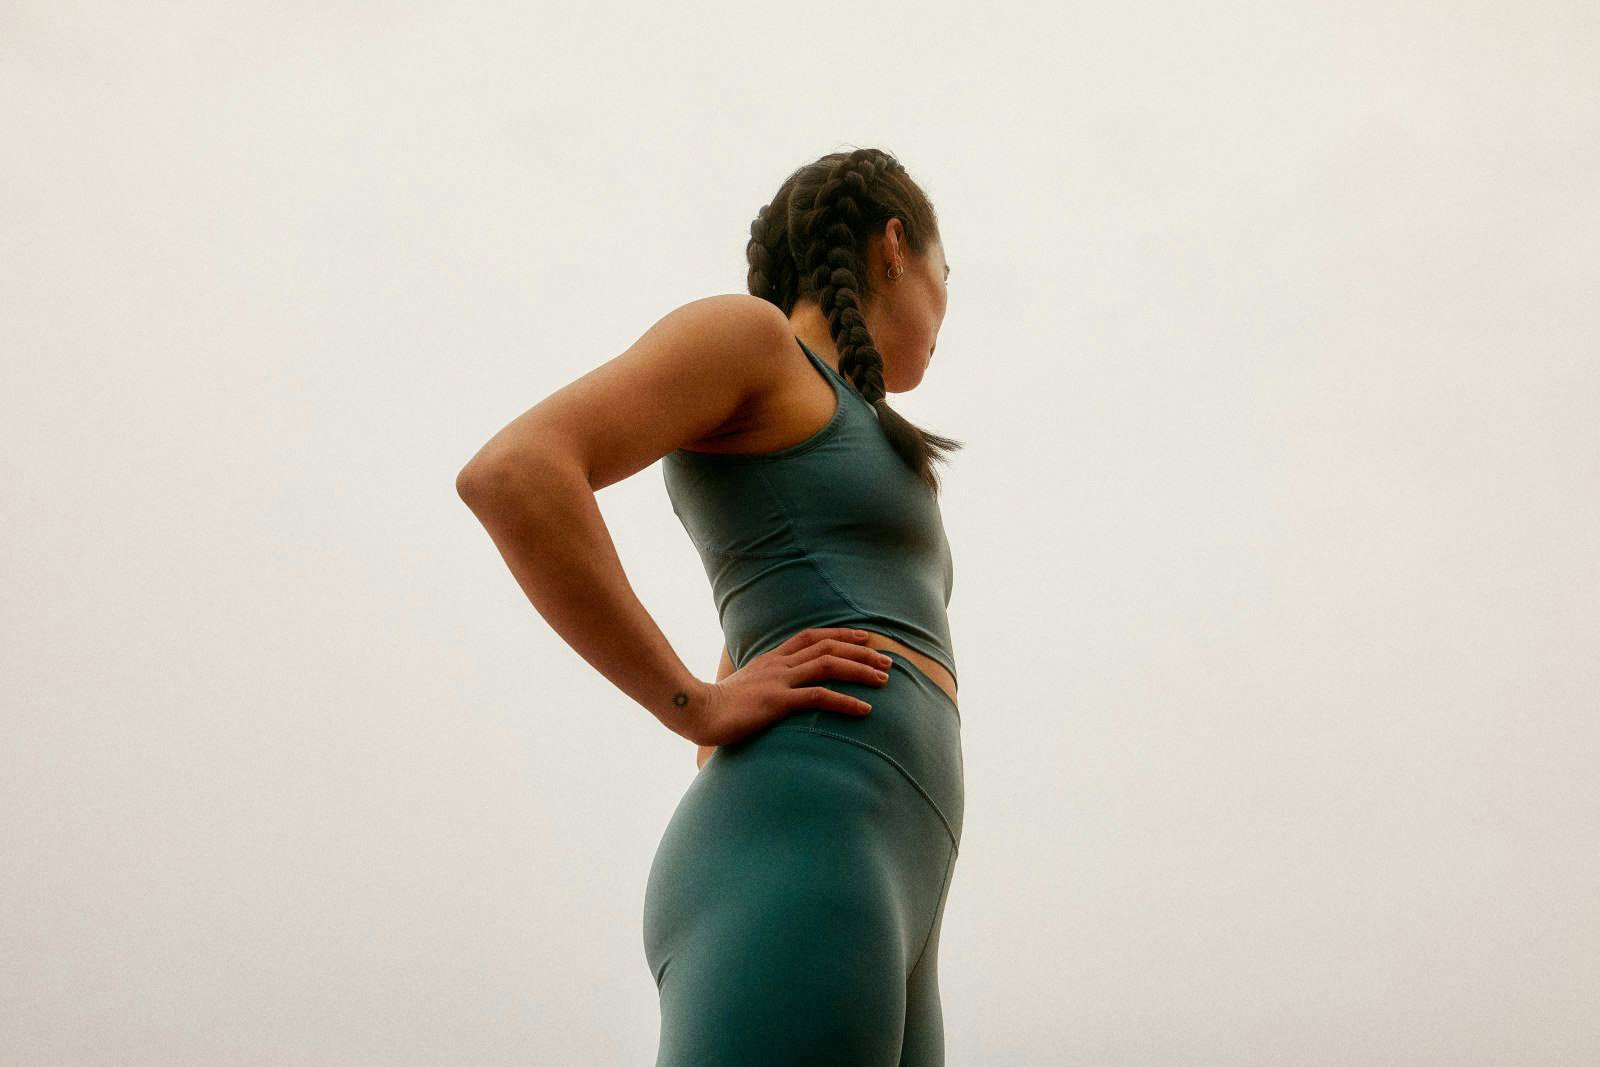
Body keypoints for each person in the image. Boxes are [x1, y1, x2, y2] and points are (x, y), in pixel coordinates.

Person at [456, 147, 965, 1065]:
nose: (948, 306)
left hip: (891, 870)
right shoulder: (751, 339)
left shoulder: (850, 422)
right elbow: (517, 472)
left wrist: (727, 695)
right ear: (896, 244)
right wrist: (692, 699)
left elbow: (765, 630)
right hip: (805, 843)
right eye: (946, 271)